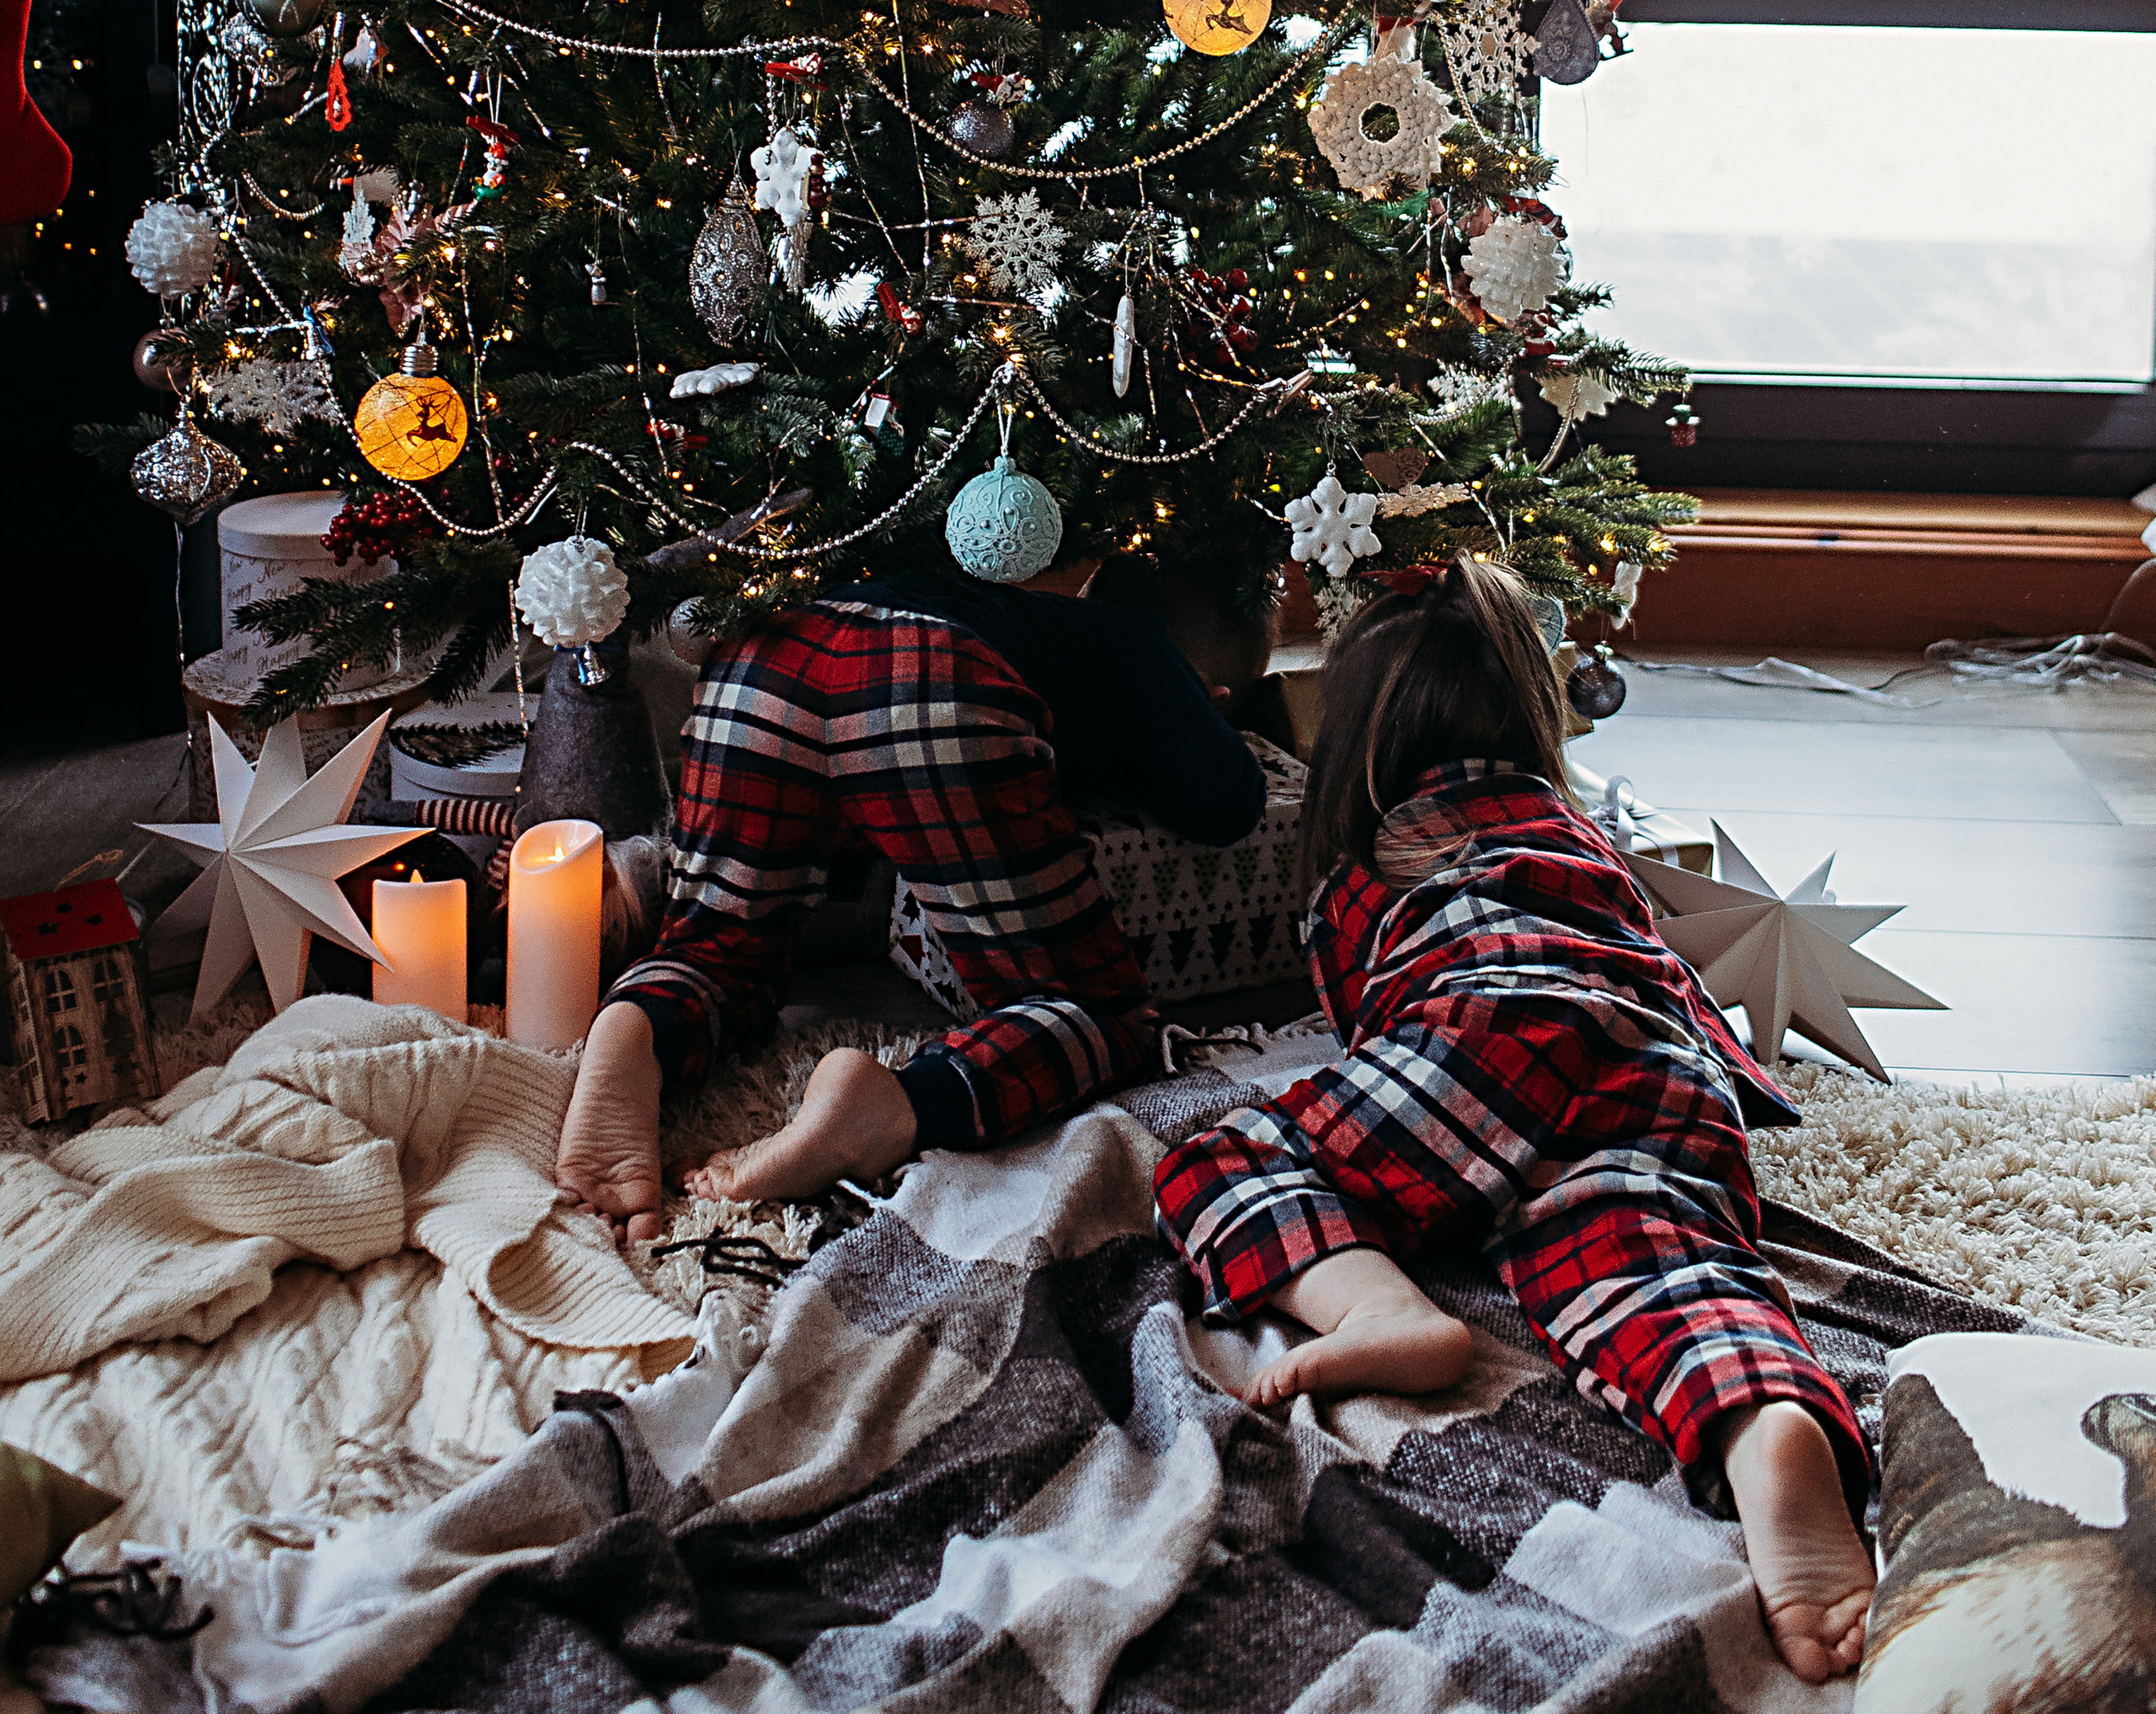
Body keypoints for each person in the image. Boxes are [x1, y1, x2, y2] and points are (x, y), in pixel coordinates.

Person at [1150, 561, 1877, 1690]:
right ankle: (1761, 1419)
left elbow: (1370, 1037)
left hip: (1477, 1030)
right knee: (1639, 1254)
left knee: (1226, 1159)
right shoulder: (1579, 837)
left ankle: (1384, 1310)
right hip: (1651, 1054)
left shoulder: (1371, 861)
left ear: (1355, 748)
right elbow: (1654, 972)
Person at [557, 549, 1275, 1240]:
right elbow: (1227, 805)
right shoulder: (1146, 646)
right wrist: (1207, 722)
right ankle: (899, 1105)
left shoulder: (1029, 617)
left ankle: (635, 1031)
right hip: (925, 683)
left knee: (714, 946)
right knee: (1101, 1014)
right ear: (1208, 683)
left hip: (761, 662)